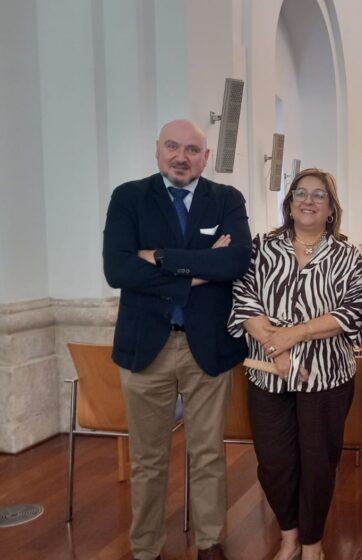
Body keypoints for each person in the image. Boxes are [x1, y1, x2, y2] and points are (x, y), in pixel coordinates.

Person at [103, 119, 252, 560]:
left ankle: (210, 542)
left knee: (207, 454)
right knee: (147, 460)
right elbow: (118, 270)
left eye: (191, 149)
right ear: (157, 150)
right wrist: (200, 267)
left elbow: (237, 262)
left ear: (205, 157)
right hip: (146, 346)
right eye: (173, 146)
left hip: (207, 347)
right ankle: (145, 548)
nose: (181, 157)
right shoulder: (129, 198)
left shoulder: (226, 199)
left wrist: (161, 258)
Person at [228, 168, 362, 560]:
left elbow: (350, 313)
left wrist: (294, 334)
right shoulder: (262, 248)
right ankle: (288, 533)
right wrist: (278, 348)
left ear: (331, 208)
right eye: (300, 193)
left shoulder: (345, 255)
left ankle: (312, 543)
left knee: (318, 464)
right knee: (274, 462)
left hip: (327, 377)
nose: (308, 200)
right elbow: (243, 298)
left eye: (319, 195)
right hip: (268, 376)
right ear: (289, 204)